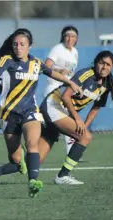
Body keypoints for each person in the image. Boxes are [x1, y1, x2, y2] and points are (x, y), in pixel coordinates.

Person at [0, 28, 83, 198]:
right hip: (9, 114)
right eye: (15, 44)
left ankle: (33, 182)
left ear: (30, 46)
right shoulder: (6, 60)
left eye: (22, 44)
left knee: (32, 145)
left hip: (30, 111)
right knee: (17, 161)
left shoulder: (36, 63)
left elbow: (52, 73)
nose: (18, 47)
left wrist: (70, 83)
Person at [38, 50, 113, 184]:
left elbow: (95, 108)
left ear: (112, 67)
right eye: (101, 63)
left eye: (108, 65)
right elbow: (65, 96)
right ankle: (62, 176)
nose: (104, 67)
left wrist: (84, 126)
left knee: (35, 160)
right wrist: (78, 121)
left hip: (61, 112)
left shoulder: (106, 85)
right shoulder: (86, 74)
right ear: (95, 63)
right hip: (53, 105)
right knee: (86, 136)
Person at [43, 25, 79, 157]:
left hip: (65, 91)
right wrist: (58, 71)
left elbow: (70, 73)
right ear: (63, 37)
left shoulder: (75, 52)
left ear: (76, 39)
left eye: (73, 36)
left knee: (67, 118)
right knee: (55, 123)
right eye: (67, 35)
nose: (70, 38)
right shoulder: (58, 49)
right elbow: (45, 67)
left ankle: (71, 151)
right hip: (53, 89)